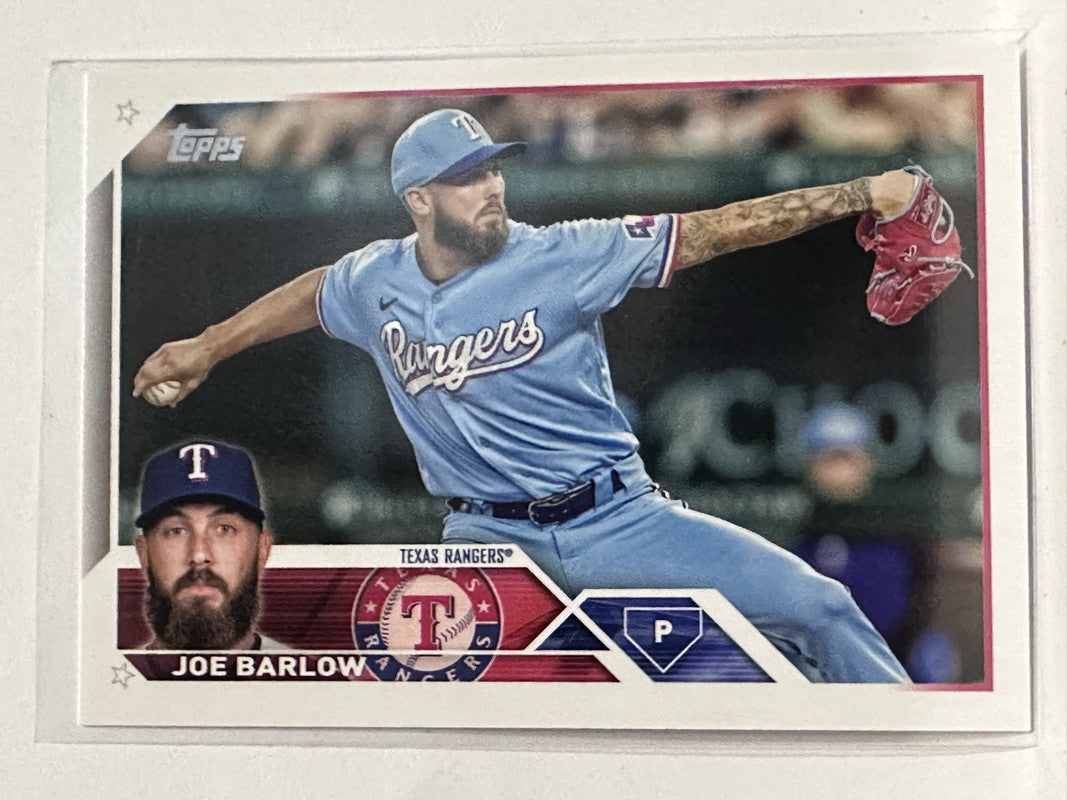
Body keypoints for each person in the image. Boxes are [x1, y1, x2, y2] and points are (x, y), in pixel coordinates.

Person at [134, 107, 919, 681]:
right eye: (465, 177)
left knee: (819, 608)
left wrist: (860, 192)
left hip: (618, 521)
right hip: (485, 539)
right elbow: (314, 291)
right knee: (424, 685)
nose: (490, 187)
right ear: (418, 200)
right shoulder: (376, 278)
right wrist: (208, 345)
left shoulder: (564, 254)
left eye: (492, 169)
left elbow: (719, 227)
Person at [133, 439, 285, 650]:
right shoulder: (105, 672)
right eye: (176, 531)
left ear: (262, 551)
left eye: (224, 528)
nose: (199, 555)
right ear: (144, 555)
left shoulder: (310, 672)